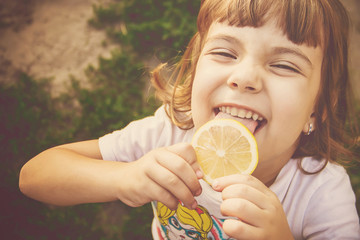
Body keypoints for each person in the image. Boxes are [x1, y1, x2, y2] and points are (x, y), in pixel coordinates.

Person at [19, 0, 360, 239]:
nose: (244, 78)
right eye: (225, 52)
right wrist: (125, 177)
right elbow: (35, 176)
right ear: (196, 69)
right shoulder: (168, 135)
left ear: (318, 107)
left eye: (284, 65)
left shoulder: (320, 193)